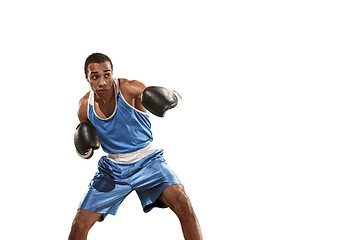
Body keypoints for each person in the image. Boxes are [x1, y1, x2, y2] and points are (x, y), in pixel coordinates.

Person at [68, 53, 203, 240]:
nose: (102, 82)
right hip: (113, 169)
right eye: (95, 76)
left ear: (112, 73)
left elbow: (169, 98)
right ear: (87, 78)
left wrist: (172, 97)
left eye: (107, 75)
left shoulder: (129, 88)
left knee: (183, 202)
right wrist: (83, 149)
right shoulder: (85, 106)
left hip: (148, 161)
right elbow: (87, 151)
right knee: (79, 226)